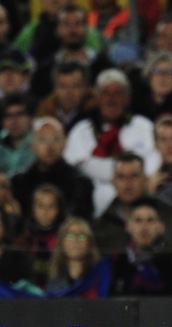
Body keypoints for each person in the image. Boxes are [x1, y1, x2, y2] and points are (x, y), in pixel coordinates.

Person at [63, 68, 155, 217]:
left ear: (127, 98)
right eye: (106, 93)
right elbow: (73, 168)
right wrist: (127, 169)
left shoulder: (143, 127)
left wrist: (91, 165)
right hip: (90, 209)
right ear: (98, 98)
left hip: (137, 208)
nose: (111, 99)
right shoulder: (81, 130)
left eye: (118, 93)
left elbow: (151, 167)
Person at [94, 152, 172, 254]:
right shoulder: (103, 225)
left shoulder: (171, 215)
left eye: (134, 176)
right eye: (121, 177)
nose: (128, 184)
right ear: (114, 182)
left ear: (145, 180)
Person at [11, 117, 94, 221]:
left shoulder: (80, 182)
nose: (49, 147)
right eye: (43, 140)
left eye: (55, 139)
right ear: (33, 145)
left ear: (65, 144)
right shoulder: (18, 182)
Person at [109, 196, 172, 296]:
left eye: (150, 220)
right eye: (138, 220)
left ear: (161, 227)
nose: (144, 227)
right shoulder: (114, 264)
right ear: (128, 226)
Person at [46, 217, 111, 298]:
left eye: (82, 237)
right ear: (61, 243)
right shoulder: (54, 280)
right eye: (70, 236)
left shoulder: (100, 277)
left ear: (89, 244)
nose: (76, 241)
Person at [34, 60, 96, 132]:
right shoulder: (43, 115)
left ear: (86, 88)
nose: (69, 92)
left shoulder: (97, 114)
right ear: (54, 88)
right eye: (63, 87)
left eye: (75, 86)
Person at [130, 51, 172, 121]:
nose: (163, 76)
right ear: (149, 76)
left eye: (170, 72)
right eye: (157, 71)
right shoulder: (135, 106)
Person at [0, 92, 35, 176]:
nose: (14, 121)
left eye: (19, 114)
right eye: (8, 115)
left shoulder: (40, 143)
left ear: (31, 118)